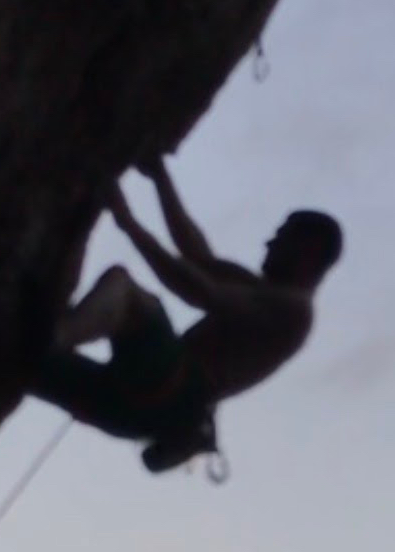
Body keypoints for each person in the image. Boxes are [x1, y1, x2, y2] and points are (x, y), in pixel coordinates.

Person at [34, 157, 343, 473]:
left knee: (126, 293)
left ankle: (57, 335)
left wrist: (128, 223)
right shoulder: (264, 292)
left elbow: (198, 290)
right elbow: (197, 255)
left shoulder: (292, 312)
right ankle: (38, 344)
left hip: (169, 392)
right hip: (141, 405)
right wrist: (160, 177)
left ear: (309, 252)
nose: (270, 242)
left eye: (282, 236)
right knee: (20, 357)